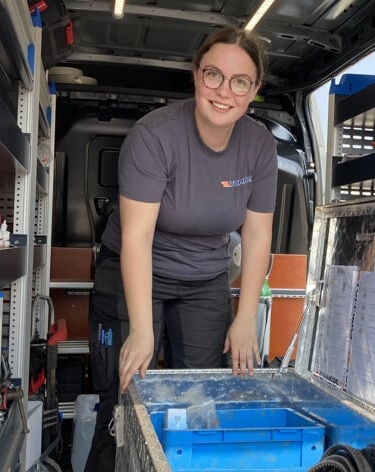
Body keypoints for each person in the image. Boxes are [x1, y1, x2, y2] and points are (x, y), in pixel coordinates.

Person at [84, 26, 277, 471]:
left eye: (240, 81)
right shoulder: (155, 136)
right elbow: (138, 236)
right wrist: (141, 328)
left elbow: (256, 235)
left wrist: (246, 317)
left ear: (254, 91)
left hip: (204, 277)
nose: (224, 91)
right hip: (134, 268)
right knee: (125, 395)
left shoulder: (258, 147)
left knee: (200, 396)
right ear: (195, 76)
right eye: (213, 75)